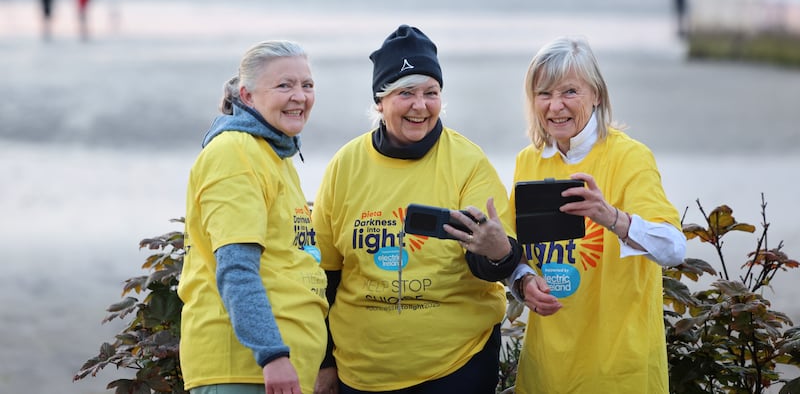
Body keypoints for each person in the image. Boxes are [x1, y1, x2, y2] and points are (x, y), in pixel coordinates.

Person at [311, 24, 523, 394]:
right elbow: (324, 276)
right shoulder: (345, 166)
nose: (420, 106)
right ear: (380, 101)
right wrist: (325, 363)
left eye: (431, 92)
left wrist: (496, 251)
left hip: (457, 366)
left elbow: (496, 266)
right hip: (361, 372)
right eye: (405, 92)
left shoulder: (468, 162)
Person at [507, 36, 686, 394]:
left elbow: (674, 249)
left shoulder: (629, 158)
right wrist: (523, 281)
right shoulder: (529, 160)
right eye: (544, 94)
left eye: (570, 92)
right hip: (547, 373)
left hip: (618, 373)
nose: (555, 106)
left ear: (597, 95)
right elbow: (515, 251)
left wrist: (612, 218)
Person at [178, 40, 329, 394]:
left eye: (307, 85)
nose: (300, 96)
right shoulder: (236, 153)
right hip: (245, 371)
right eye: (284, 85)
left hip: (278, 371)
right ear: (246, 96)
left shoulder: (274, 155)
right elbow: (236, 267)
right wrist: (272, 355)